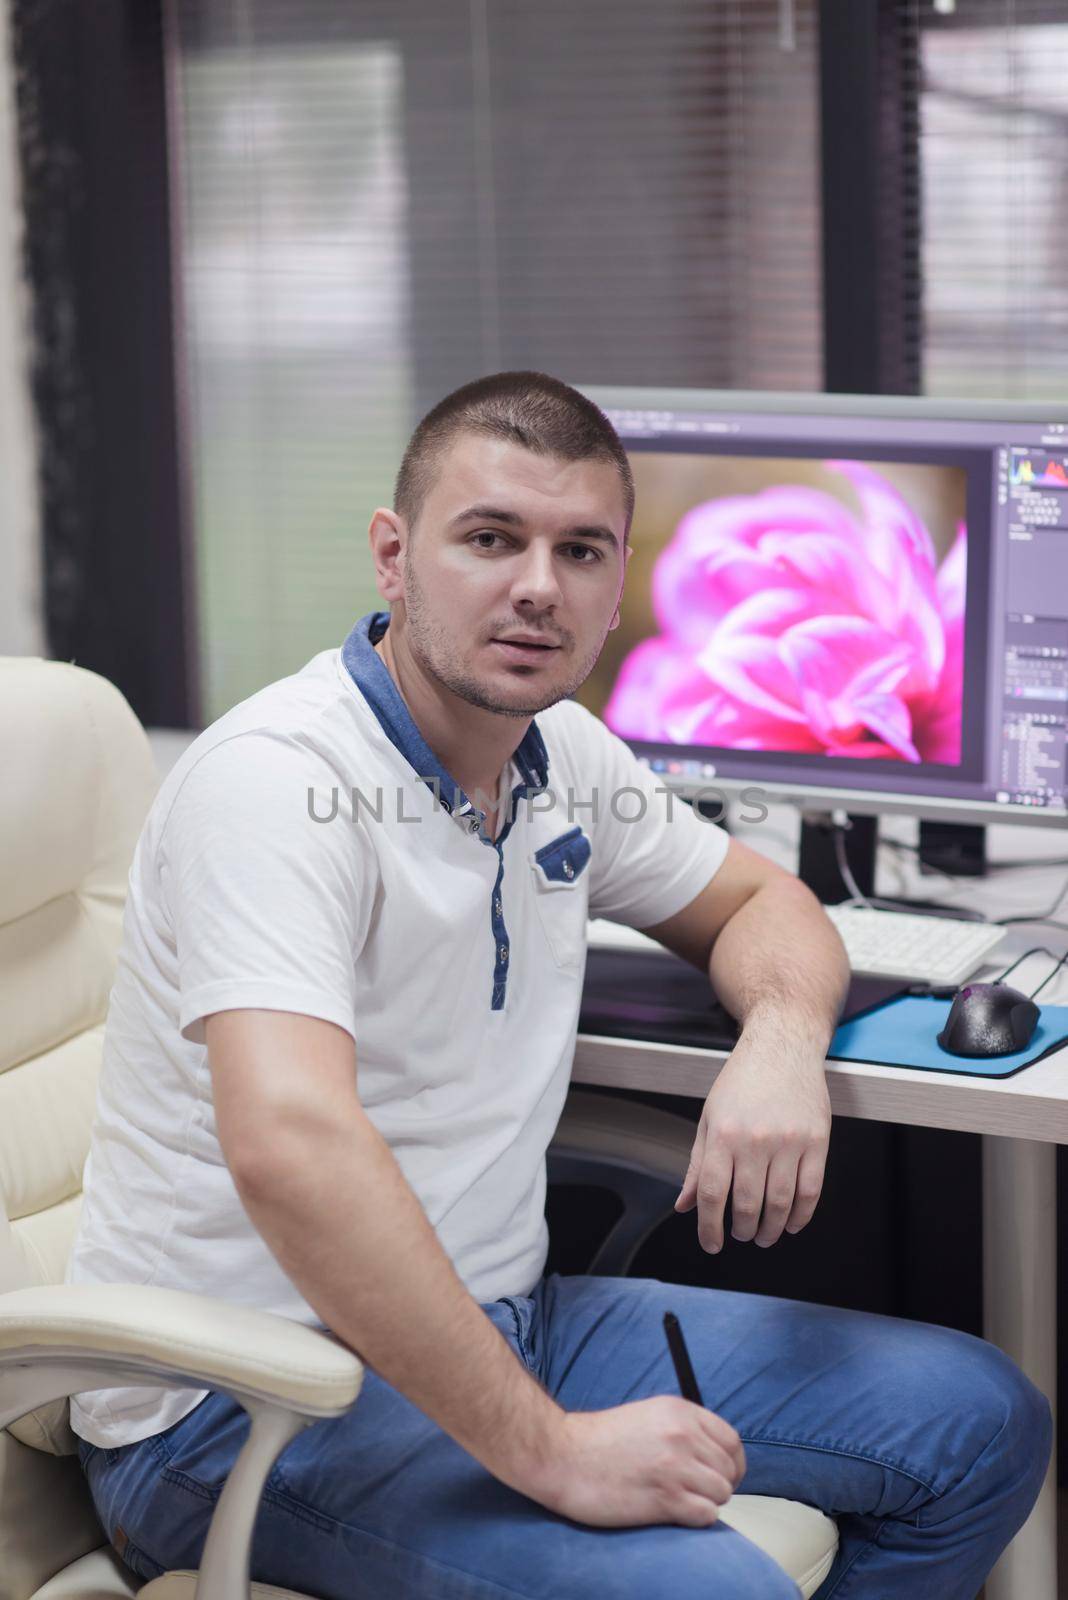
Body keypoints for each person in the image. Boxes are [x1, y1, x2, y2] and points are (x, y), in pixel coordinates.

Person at [70, 372, 1051, 1599]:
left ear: (613, 586)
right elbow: (291, 1144)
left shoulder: (559, 754)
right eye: (490, 538)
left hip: (503, 1323)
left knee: (980, 1422)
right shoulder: (275, 781)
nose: (538, 584)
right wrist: (554, 1453)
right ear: (394, 556)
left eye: (579, 550)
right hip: (243, 1404)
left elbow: (766, 906)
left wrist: (784, 1038)